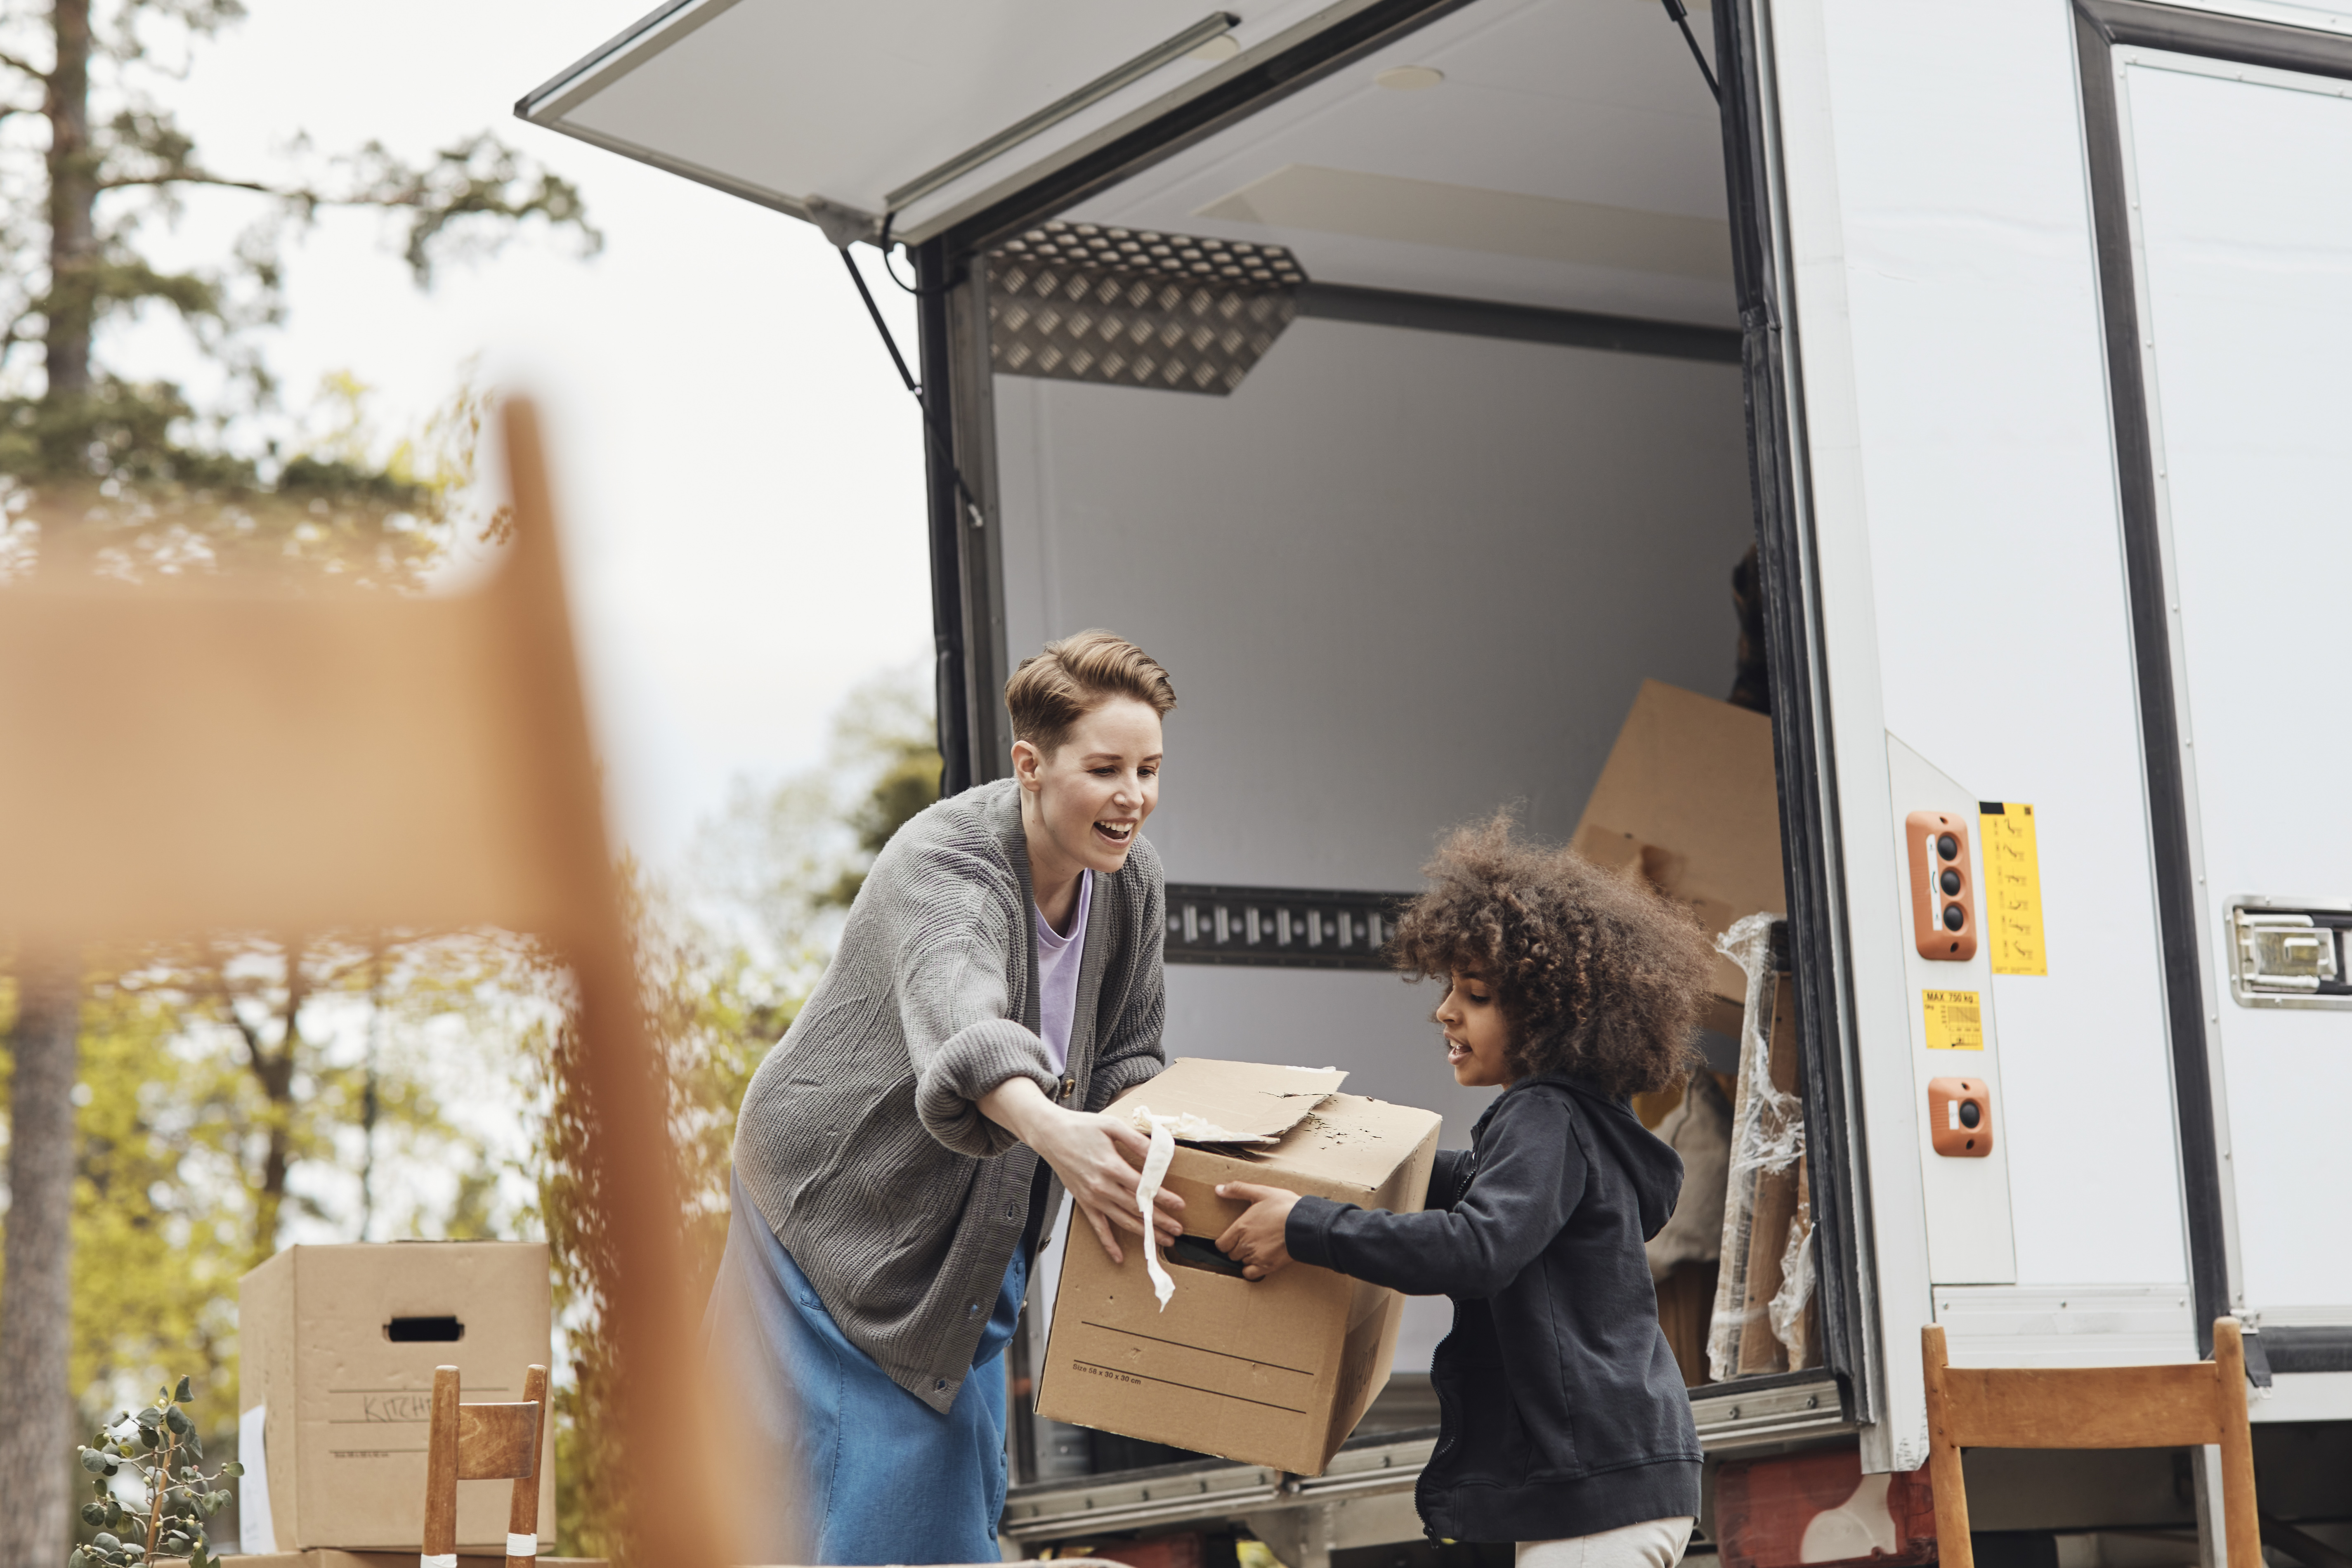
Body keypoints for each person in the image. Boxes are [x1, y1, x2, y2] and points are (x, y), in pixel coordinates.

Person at [704, 631, 1183, 1565]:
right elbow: (967, 1033)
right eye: (1107, 768)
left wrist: (1169, 1147)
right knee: (876, 1487)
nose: (1134, 795)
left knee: (946, 1477)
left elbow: (1130, 1050)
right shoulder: (947, 865)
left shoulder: (1131, 884)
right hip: (838, 1206)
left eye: (1151, 769)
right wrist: (1059, 1135)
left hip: (977, 1209)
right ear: (1031, 766)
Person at [1216, 814, 1713, 1568]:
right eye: (1449, 988)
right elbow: (1467, 1188)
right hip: (1618, 1481)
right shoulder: (1580, 1122)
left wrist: (1306, 1226)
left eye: (1475, 995)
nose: (1445, 1011)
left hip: (1592, 1496)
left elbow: (1478, 1248)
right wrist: (1348, 1162)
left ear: (1553, 1012)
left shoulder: (1543, 1115)